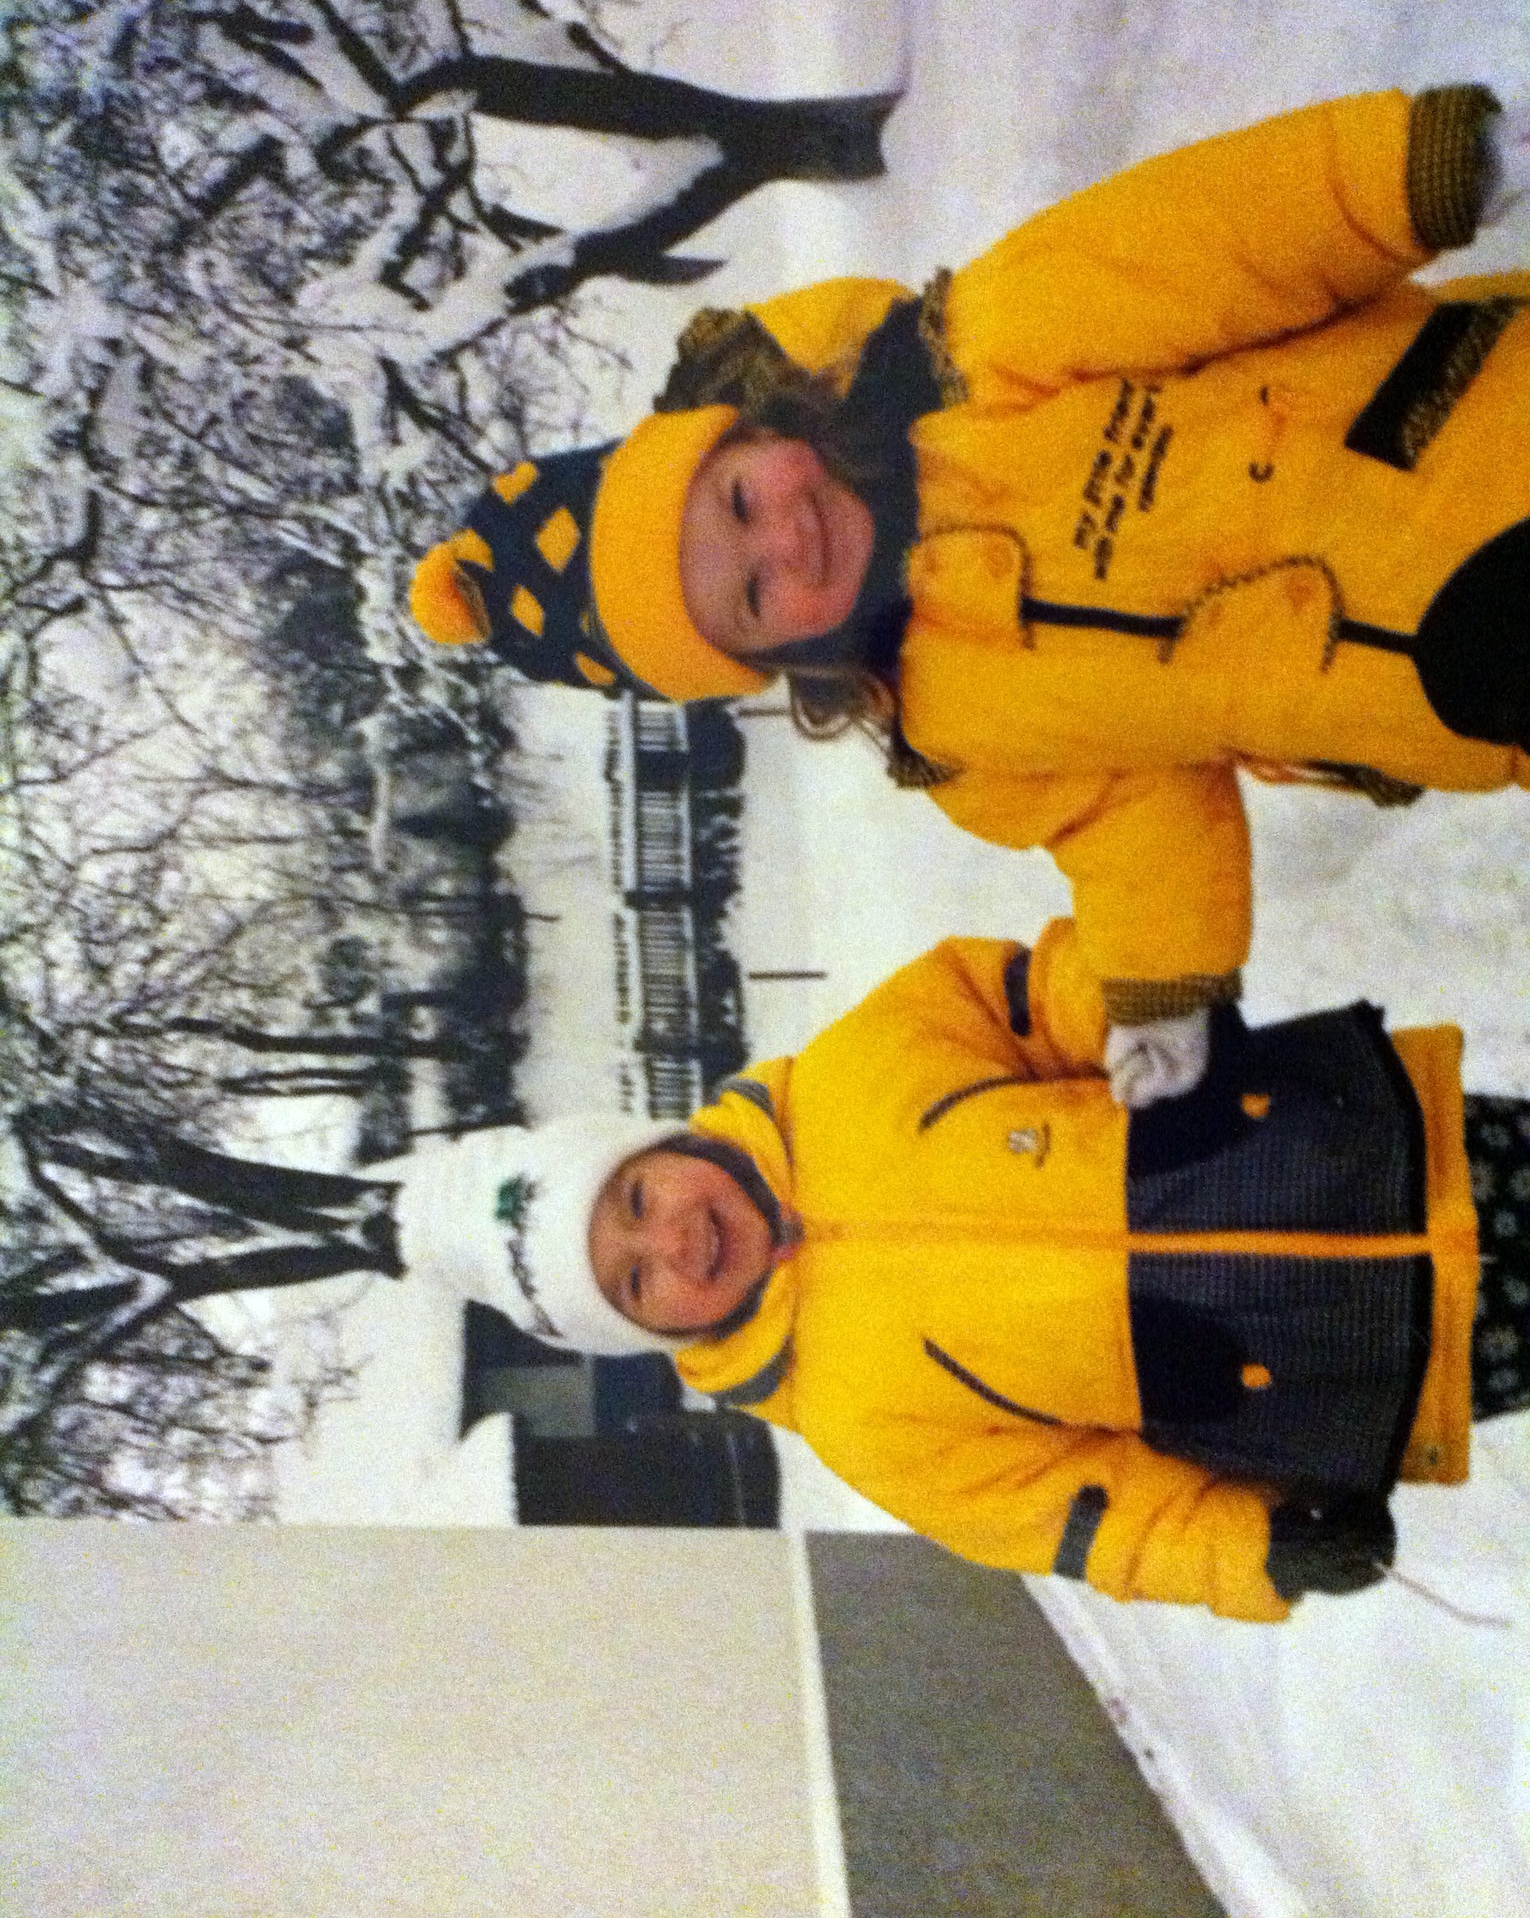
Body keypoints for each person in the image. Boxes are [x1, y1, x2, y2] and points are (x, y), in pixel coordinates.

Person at [410, 86, 1530, 1109]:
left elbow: (1218, 236)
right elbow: (1127, 811)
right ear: (768, 657)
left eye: (741, 501)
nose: (787, 540)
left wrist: (1408, 172)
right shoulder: (954, 734)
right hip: (1487, 699)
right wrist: (1162, 988)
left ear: (751, 434)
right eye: (751, 595)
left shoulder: (985, 354)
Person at [395, 921, 1530, 1622]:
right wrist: (1253, 1553)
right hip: (1366, 1360)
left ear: (655, 1145)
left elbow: (1025, 997)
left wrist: (1134, 1010)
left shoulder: (856, 1067)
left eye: (638, 1201)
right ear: (654, 1334)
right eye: (637, 1284)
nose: (677, 1243)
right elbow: (1084, 1514)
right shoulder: (864, 1426)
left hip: (1364, 1140)